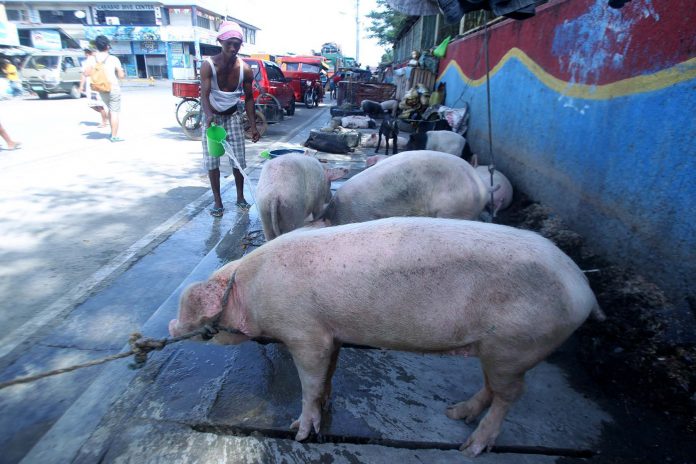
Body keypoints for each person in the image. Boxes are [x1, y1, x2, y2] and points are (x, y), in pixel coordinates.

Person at [200, 21, 260, 217]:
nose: (233, 48)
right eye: (229, 44)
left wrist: (253, 126)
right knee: (212, 161)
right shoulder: (209, 65)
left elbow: (250, 98)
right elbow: (205, 94)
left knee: (239, 162)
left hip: (233, 117)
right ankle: (218, 201)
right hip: (213, 118)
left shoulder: (245, 69)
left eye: (237, 44)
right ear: (220, 41)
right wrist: (208, 115)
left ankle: (240, 197)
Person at [83, 35, 125, 142]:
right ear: (107, 46)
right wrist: (120, 71)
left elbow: (86, 73)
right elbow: (121, 76)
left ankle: (112, 131)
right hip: (113, 87)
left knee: (110, 109)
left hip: (100, 88)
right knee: (114, 111)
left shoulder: (92, 59)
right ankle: (114, 136)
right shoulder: (113, 59)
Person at [79, 49, 108, 128]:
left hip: (94, 85)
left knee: (98, 104)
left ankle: (104, 121)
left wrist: (81, 85)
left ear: (87, 53)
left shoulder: (90, 61)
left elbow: (86, 73)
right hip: (93, 85)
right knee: (92, 104)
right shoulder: (91, 60)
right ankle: (105, 117)